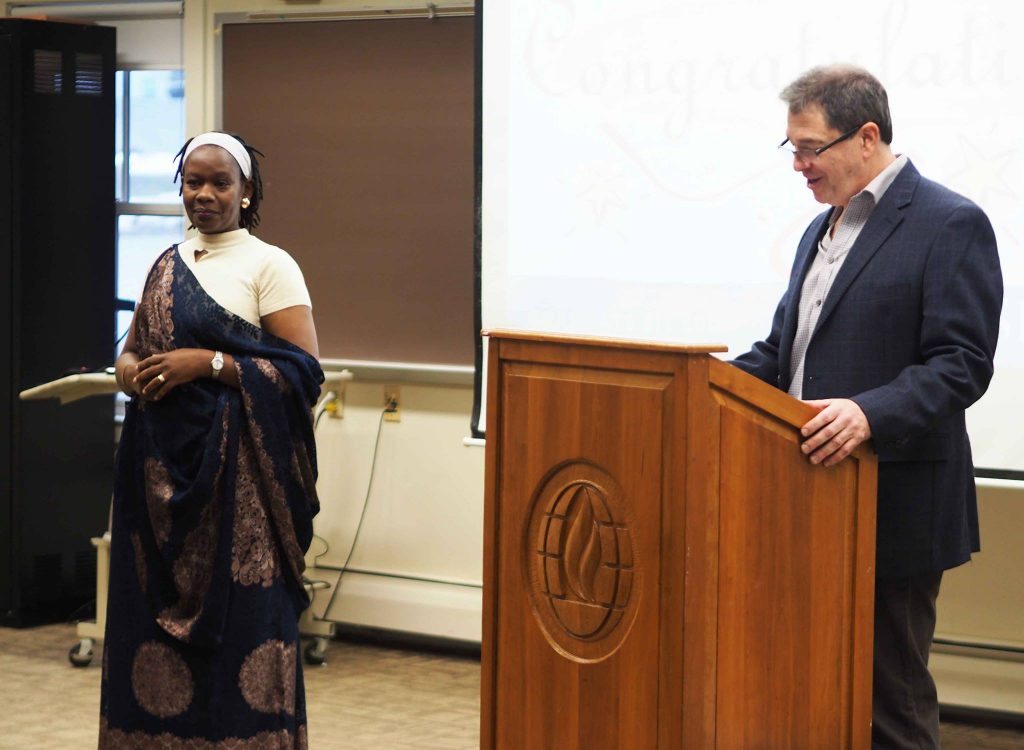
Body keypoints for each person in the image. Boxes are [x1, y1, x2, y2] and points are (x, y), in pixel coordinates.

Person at [732, 66, 1002, 749]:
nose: (798, 165)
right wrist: (695, 383)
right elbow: (783, 355)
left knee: (889, 707)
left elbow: (961, 364)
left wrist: (868, 414)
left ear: (867, 136)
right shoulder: (818, 231)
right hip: (805, 499)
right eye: (790, 149)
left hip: (892, 506)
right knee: (802, 690)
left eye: (809, 148)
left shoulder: (950, 223)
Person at [103, 132, 323, 749]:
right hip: (157, 487)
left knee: (243, 631)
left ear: (246, 191)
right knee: (146, 638)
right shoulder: (166, 263)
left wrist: (212, 365)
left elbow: (303, 372)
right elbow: (133, 351)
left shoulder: (269, 265)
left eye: (219, 183)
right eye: (193, 182)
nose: (203, 194)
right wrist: (131, 371)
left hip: (241, 494)